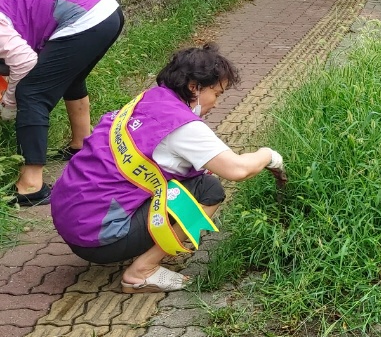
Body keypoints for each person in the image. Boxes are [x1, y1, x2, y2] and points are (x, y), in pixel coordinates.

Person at [50, 45, 285, 293]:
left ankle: (138, 242)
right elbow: (238, 171)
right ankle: (141, 272)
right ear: (195, 87)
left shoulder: (149, 99)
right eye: (217, 94)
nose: (216, 103)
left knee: (197, 177)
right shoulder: (183, 127)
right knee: (208, 189)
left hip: (71, 219)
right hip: (100, 239)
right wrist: (268, 155)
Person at [0, 0, 124, 206]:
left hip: (86, 16)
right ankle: (82, 144)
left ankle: (31, 185)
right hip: (107, 11)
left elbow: (25, 63)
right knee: (70, 77)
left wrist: (8, 104)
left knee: (31, 91)